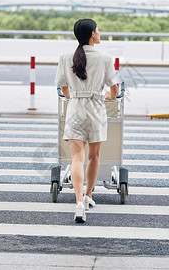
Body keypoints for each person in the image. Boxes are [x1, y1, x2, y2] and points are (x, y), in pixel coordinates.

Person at [55, 19, 118, 223]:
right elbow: (114, 90)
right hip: (96, 109)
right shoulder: (106, 58)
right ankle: (89, 195)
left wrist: (71, 98)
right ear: (92, 34)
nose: (99, 33)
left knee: (77, 158)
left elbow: (63, 87)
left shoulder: (65, 57)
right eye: (98, 30)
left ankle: (79, 201)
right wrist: (107, 96)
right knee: (94, 156)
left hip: (75, 109)